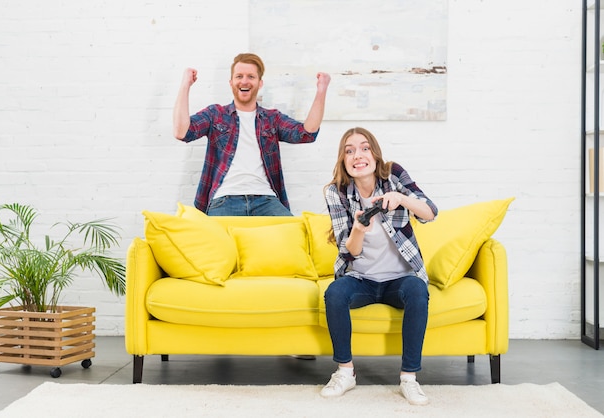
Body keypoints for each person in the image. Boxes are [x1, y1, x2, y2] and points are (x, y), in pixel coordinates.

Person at [320, 127, 438, 405]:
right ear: (343, 160)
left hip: (400, 279)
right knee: (334, 293)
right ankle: (345, 372)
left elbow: (430, 212)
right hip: (361, 279)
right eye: (349, 151)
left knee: (417, 291)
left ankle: (409, 378)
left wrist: (401, 199)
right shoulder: (336, 192)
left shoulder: (393, 174)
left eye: (364, 148)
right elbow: (348, 250)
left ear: (374, 154)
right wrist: (359, 228)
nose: (357, 155)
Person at [173, 52, 331, 216]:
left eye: (251, 76)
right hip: (224, 199)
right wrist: (185, 85)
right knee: (215, 240)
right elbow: (181, 132)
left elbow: (307, 133)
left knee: (295, 234)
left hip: (266, 200)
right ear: (231, 82)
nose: (244, 81)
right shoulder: (216, 114)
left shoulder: (272, 118)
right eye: (239, 76)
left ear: (260, 83)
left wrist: (321, 90)